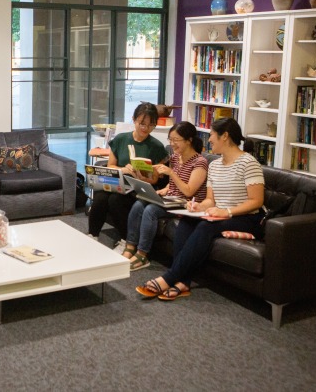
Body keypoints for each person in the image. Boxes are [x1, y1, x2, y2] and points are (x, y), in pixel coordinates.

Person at [136, 117, 265, 301]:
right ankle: (184, 282)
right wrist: (198, 206)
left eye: (212, 135)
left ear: (225, 136)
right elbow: (211, 200)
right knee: (187, 221)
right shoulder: (215, 165)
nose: (209, 139)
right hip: (219, 215)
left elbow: (256, 201)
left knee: (206, 227)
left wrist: (227, 212)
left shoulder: (248, 163)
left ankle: (170, 278)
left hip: (247, 218)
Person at [122, 121, 208, 271]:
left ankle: (142, 254)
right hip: (172, 199)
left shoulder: (200, 162)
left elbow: (189, 191)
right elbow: (176, 183)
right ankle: (130, 246)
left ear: (189, 140)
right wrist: (166, 189)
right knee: (139, 203)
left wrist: (170, 173)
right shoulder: (175, 157)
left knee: (151, 210)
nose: (172, 144)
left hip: (187, 204)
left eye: (176, 140)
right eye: (170, 140)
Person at [87, 102, 168, 248]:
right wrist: (123, 169)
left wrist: (143, 177)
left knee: (115, 200)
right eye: (142, 123)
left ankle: (126, 240)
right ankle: (92, 236)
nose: (145, 128)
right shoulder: (120, 139)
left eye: (151, 125)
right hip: (118, 182)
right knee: (100, 196)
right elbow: (110, 165)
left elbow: (156, 179)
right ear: (134, 119)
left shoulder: (157, 147)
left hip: (138, 189)